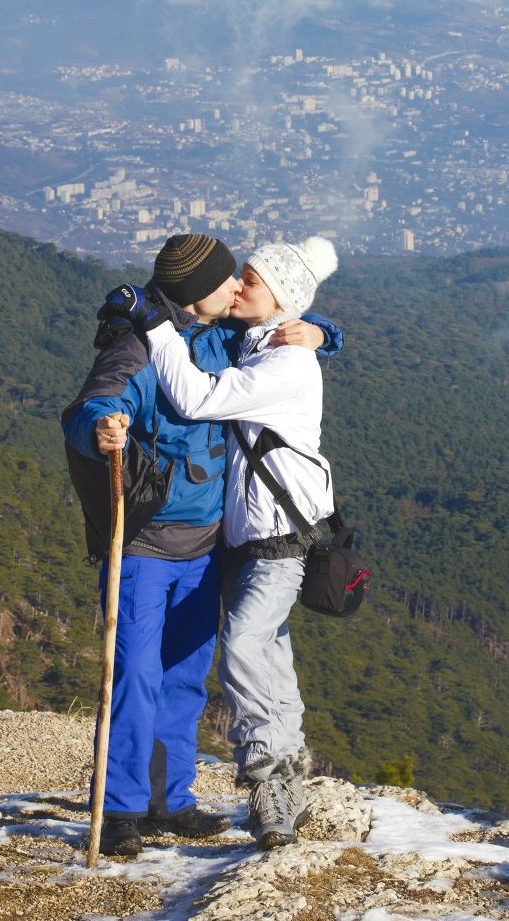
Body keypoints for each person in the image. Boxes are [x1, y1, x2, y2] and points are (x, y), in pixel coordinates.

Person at [62, 233, 339, 858]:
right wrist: (100, 428)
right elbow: (95, 401)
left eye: (244, 279)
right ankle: (123, 805)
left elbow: (276, 325)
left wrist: (321, 329)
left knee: (186, 676)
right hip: (141, 541)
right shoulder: (137, 344)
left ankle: (172, 799)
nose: (239, 288)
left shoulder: (220, 337)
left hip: (209, 544)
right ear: (196, 293)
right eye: (229, 280)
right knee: (134, 672)